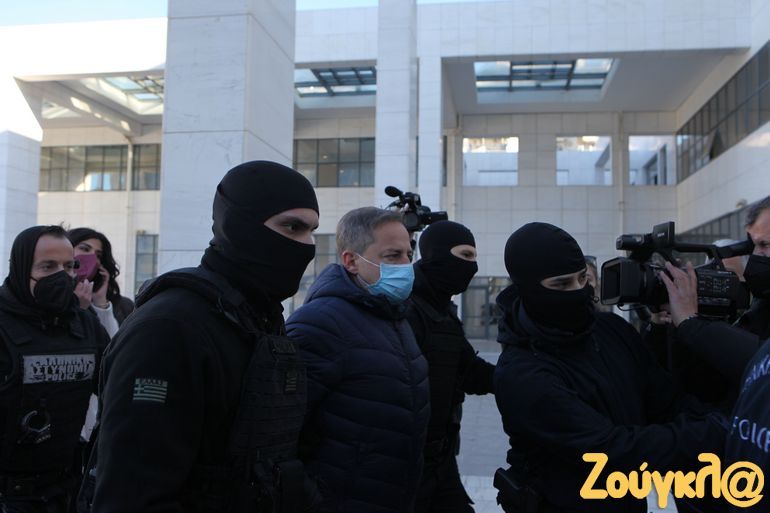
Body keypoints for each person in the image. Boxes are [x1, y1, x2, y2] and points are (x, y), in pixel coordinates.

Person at [87, 161, 321, 513]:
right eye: (292, 227)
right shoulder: (169, 328)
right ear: (239, 225)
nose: (307, 245)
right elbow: (132, 494)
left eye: (312, 230)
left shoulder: (256, 318)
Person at [493, 222, 726, 513]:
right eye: (562, 284)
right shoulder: (521, 373)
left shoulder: (611, 330)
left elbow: (666, 402)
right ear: (527, 289)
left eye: (582, 278)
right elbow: (609, 451)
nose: (578, 291)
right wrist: (714, 433)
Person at [286, 207, 429, 513]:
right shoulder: (320, 324)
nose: (406, 265)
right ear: (351, 261)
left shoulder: (394, 316)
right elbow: (281, 436)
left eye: (408, 254)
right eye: (392, 256)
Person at [0, 225, 110, 512]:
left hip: (66, 491)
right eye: (48, 266)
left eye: (69, 266)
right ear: (21, 268)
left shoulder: (84, 324)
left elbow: (116, 384)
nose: (62, 276)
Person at [405, 220, 495, 513]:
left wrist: (521, 376)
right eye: (465, 255)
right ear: (436, 254)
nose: (473, 266)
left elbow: (467, 370)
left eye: (474, 257)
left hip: (439, 459)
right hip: (408, 463)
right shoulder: (407, 309)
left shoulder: (442, 310)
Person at [663, 195, 770, 389]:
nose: (756, 255)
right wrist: (676, 325)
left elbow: (761, 365)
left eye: (764, 244)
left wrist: (691, 324)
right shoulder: (760, 307)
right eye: (752, 245)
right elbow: (707, 390)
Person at [68, 227, 135, 334]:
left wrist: (101, 303)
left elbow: (112, 342)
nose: (92, 258)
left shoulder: (123, 306)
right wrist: (78, 307)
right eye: (85, 249)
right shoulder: (49, 294)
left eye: (98, 255)